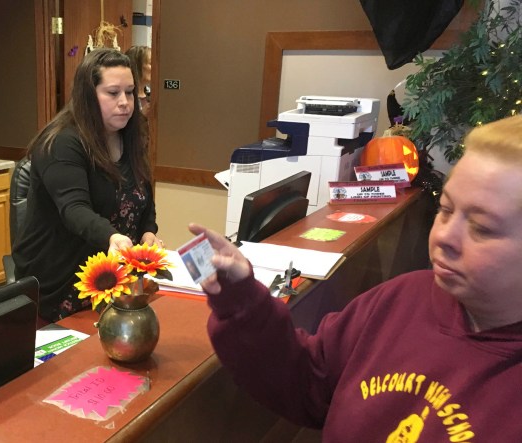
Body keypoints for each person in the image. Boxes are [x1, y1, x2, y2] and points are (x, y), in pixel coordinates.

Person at [189, 115, 522, 441]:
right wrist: (243, 300)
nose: (445, 236)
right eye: (446, 210)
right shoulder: (401, 298)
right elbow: (308, 384)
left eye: (482, 228)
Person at [12, 48, 161, 324]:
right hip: (62, 284)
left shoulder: (131, 136)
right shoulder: (61, 142)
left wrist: (148, 231)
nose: (125, 102)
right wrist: (112, 237)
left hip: (115, 282)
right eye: (113, 93)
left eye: (130, 92)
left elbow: (143, 198)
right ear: (88, 95)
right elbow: (74, 209)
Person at [125, 45, 151, 114]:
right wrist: (142, 115)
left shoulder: (153, 95)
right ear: (137, 65)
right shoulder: (124, 97)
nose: (155, 68)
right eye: (151, 63)